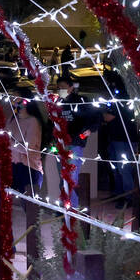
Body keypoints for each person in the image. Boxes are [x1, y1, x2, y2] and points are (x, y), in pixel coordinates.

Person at [56, 74, 100, 208]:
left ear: (70, 87)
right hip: (61, 144)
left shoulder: (81, 101)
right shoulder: (58, 102)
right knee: (63, 176)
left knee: (72, 177)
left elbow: (96, 117)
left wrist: (89, 130)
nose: (60, 90)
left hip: (75, 143)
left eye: (63, 87)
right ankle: (66, 204)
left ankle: (72, 207)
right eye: (58, 88)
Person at [100, 103, 140, 208]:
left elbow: (109, 117)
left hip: (123, 140)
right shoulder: (118, 104)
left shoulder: (121, 104)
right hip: (116, 139)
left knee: (124, 169)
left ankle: (129, 197)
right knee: (117, 169)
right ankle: (120, 194)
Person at [7, 97, 44, 195]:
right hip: (12, 166)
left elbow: (28, 149)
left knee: (29, 205)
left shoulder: (33, 121)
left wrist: (6, 143)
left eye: (19, 101)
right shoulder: (12, 120)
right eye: (13, 100)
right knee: (5, 201)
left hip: (28, 168)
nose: (15, 103)